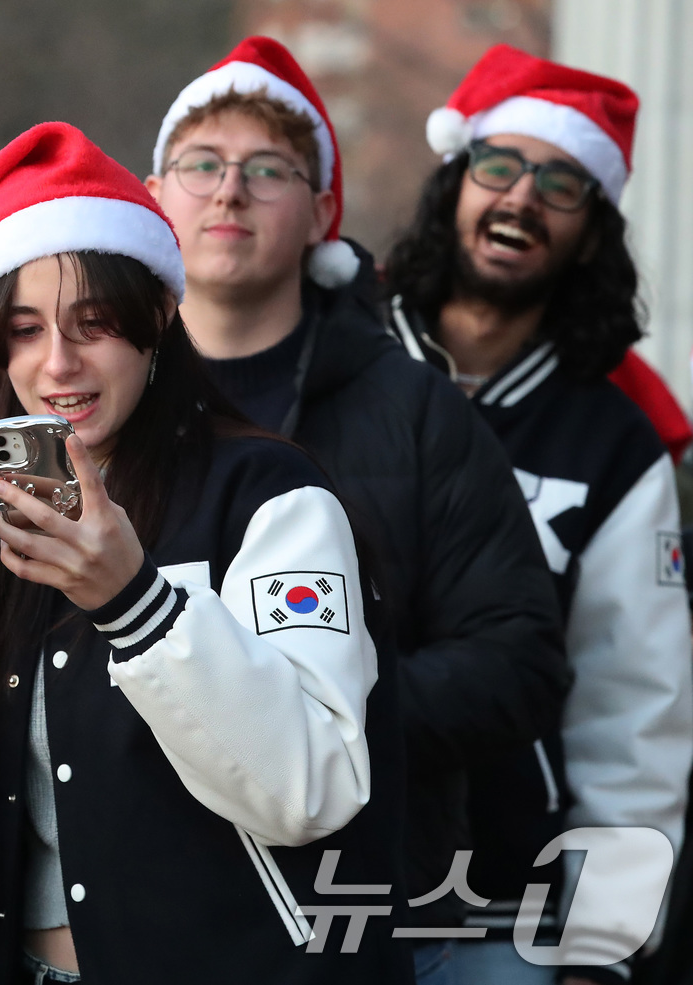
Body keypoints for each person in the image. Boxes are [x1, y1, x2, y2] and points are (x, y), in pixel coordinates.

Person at [0, 119, 411, 983]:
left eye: (93, 324)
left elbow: (315, 786)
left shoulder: (270, 495)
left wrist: (136, 602)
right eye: (25, 329)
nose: (58, 364)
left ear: (159, 316)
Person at [144, 36, 568, 981]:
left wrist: (321, 717)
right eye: (203, 165)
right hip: (151, 916)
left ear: (323, 212)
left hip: (372, 914)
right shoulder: (102, 407)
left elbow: (519, 659)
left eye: (268, 170)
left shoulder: (417, 411)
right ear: (154, 197)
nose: (229, 192)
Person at [385, 44, 693, 985]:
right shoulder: (343, 369)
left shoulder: (614, 444)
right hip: (296, 897)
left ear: (593, 234)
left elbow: (634, 714)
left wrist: (604, 944)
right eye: (499, 166)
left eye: (561, 184)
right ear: (454, 184)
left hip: (504, 916)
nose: (521, 198)